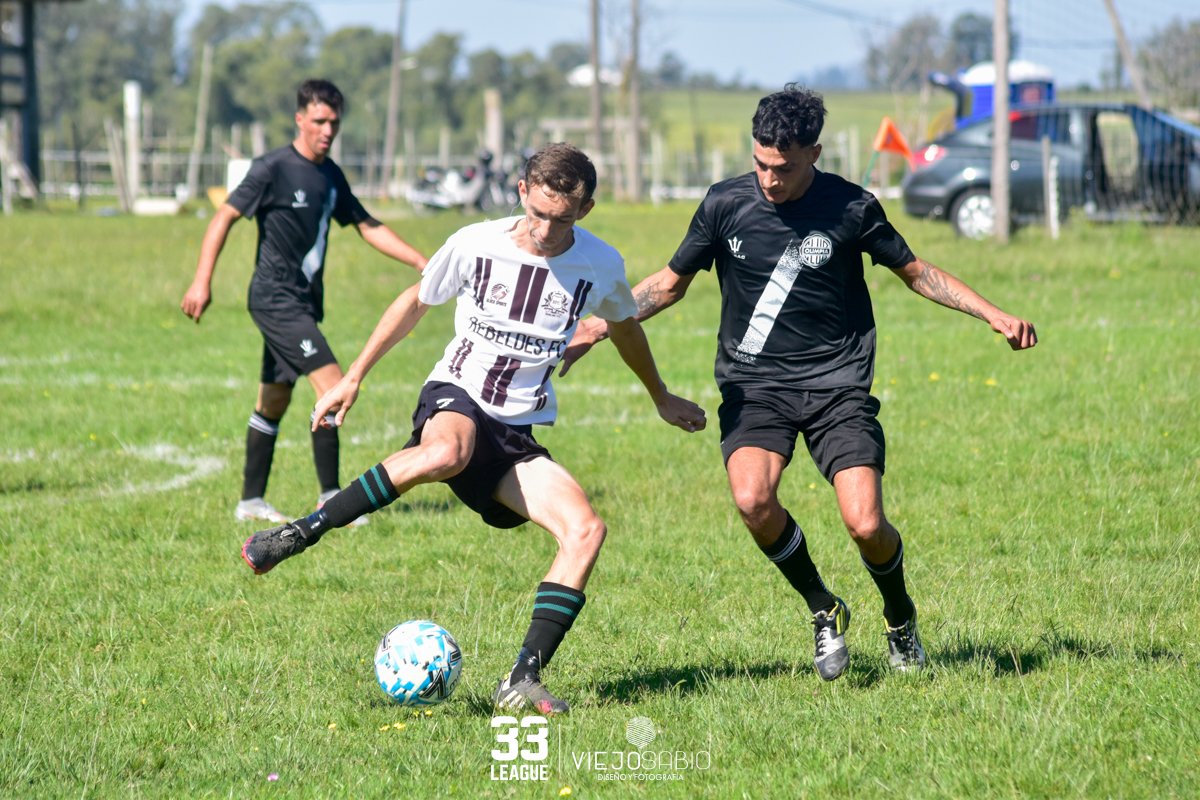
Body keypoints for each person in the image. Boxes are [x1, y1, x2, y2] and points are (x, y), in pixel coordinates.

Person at [562, 85, 1038, 680]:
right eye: (760, 163)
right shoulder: (724, 204)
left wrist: (992, 313)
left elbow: (918, 273)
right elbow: (669, 283)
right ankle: (822, 606)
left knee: (866, 524)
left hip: (838, 383)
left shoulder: (852, 206)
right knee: (752, 500)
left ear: (814, 153)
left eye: (783, 168)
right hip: (754, 384)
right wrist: (598, 326)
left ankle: (899, 616)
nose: (769, 179)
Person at [240, 143, 707, 714]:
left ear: (585, 210)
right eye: (537, 213)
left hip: (516, 434)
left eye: (562, 220)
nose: (545, 230)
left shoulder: (600, 263)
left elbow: (626, 326)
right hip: (458, 395)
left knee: (586, 530)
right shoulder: (476, 243)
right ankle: (300, 533)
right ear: (521, 192)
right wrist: (354, 375)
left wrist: (659, 395)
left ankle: (523, 678)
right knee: (447, 452)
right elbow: (416, 301)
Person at [180, 79, 428, 525]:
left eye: (334, 122)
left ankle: (250, 502)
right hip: (274, 299)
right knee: (333, 385)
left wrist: (420, 261)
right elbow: (224, 216)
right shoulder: (272, 168)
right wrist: (202, 280)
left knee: (274, 400)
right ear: (300, 119)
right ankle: (332, 500)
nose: (327, 130)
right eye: (319, 121)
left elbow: (366, 224)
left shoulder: (330, 175)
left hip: (303, 303)